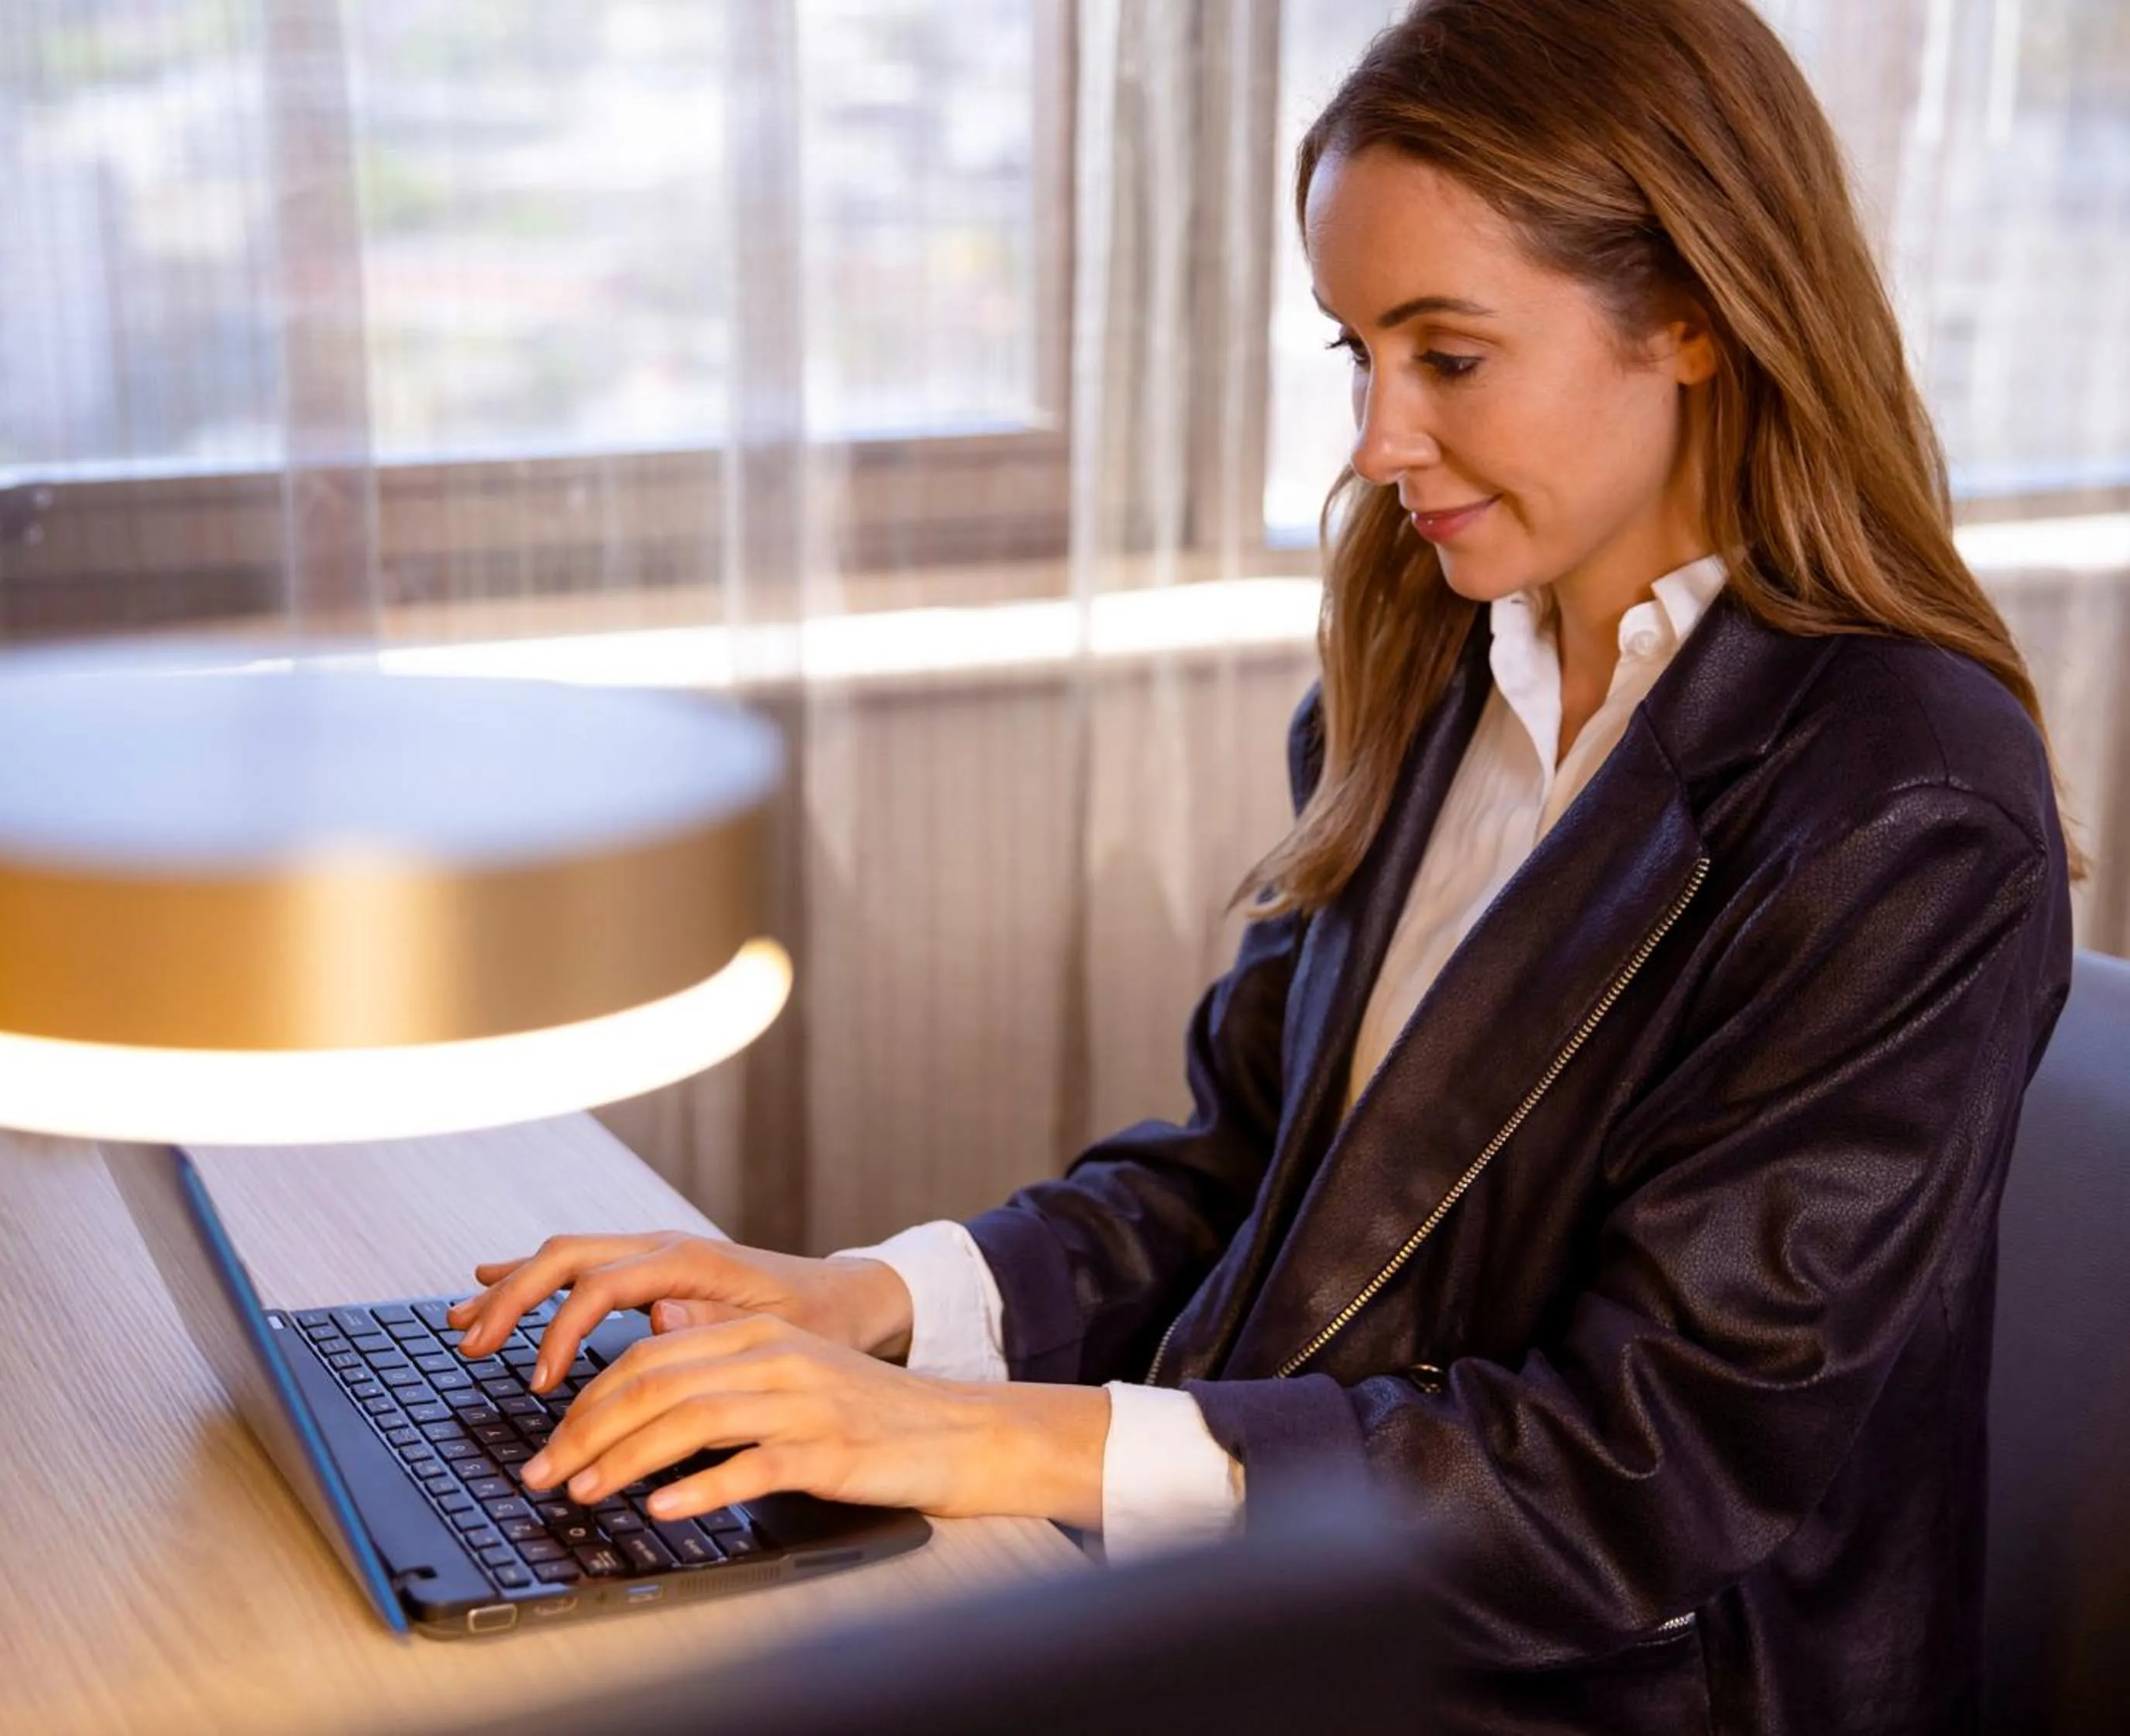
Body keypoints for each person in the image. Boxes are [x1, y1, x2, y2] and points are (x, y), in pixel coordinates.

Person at [449, 1, 2076, 1728]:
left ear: (1690, 313)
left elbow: (1638, 1478)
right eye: (1354, 353)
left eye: (1448, 358)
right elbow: (1247, 1173)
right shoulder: (1447, 659)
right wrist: (871, 1304)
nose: (1380, 440)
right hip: (1314, 1602)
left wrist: (985, 1438)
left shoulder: (1907, 805)